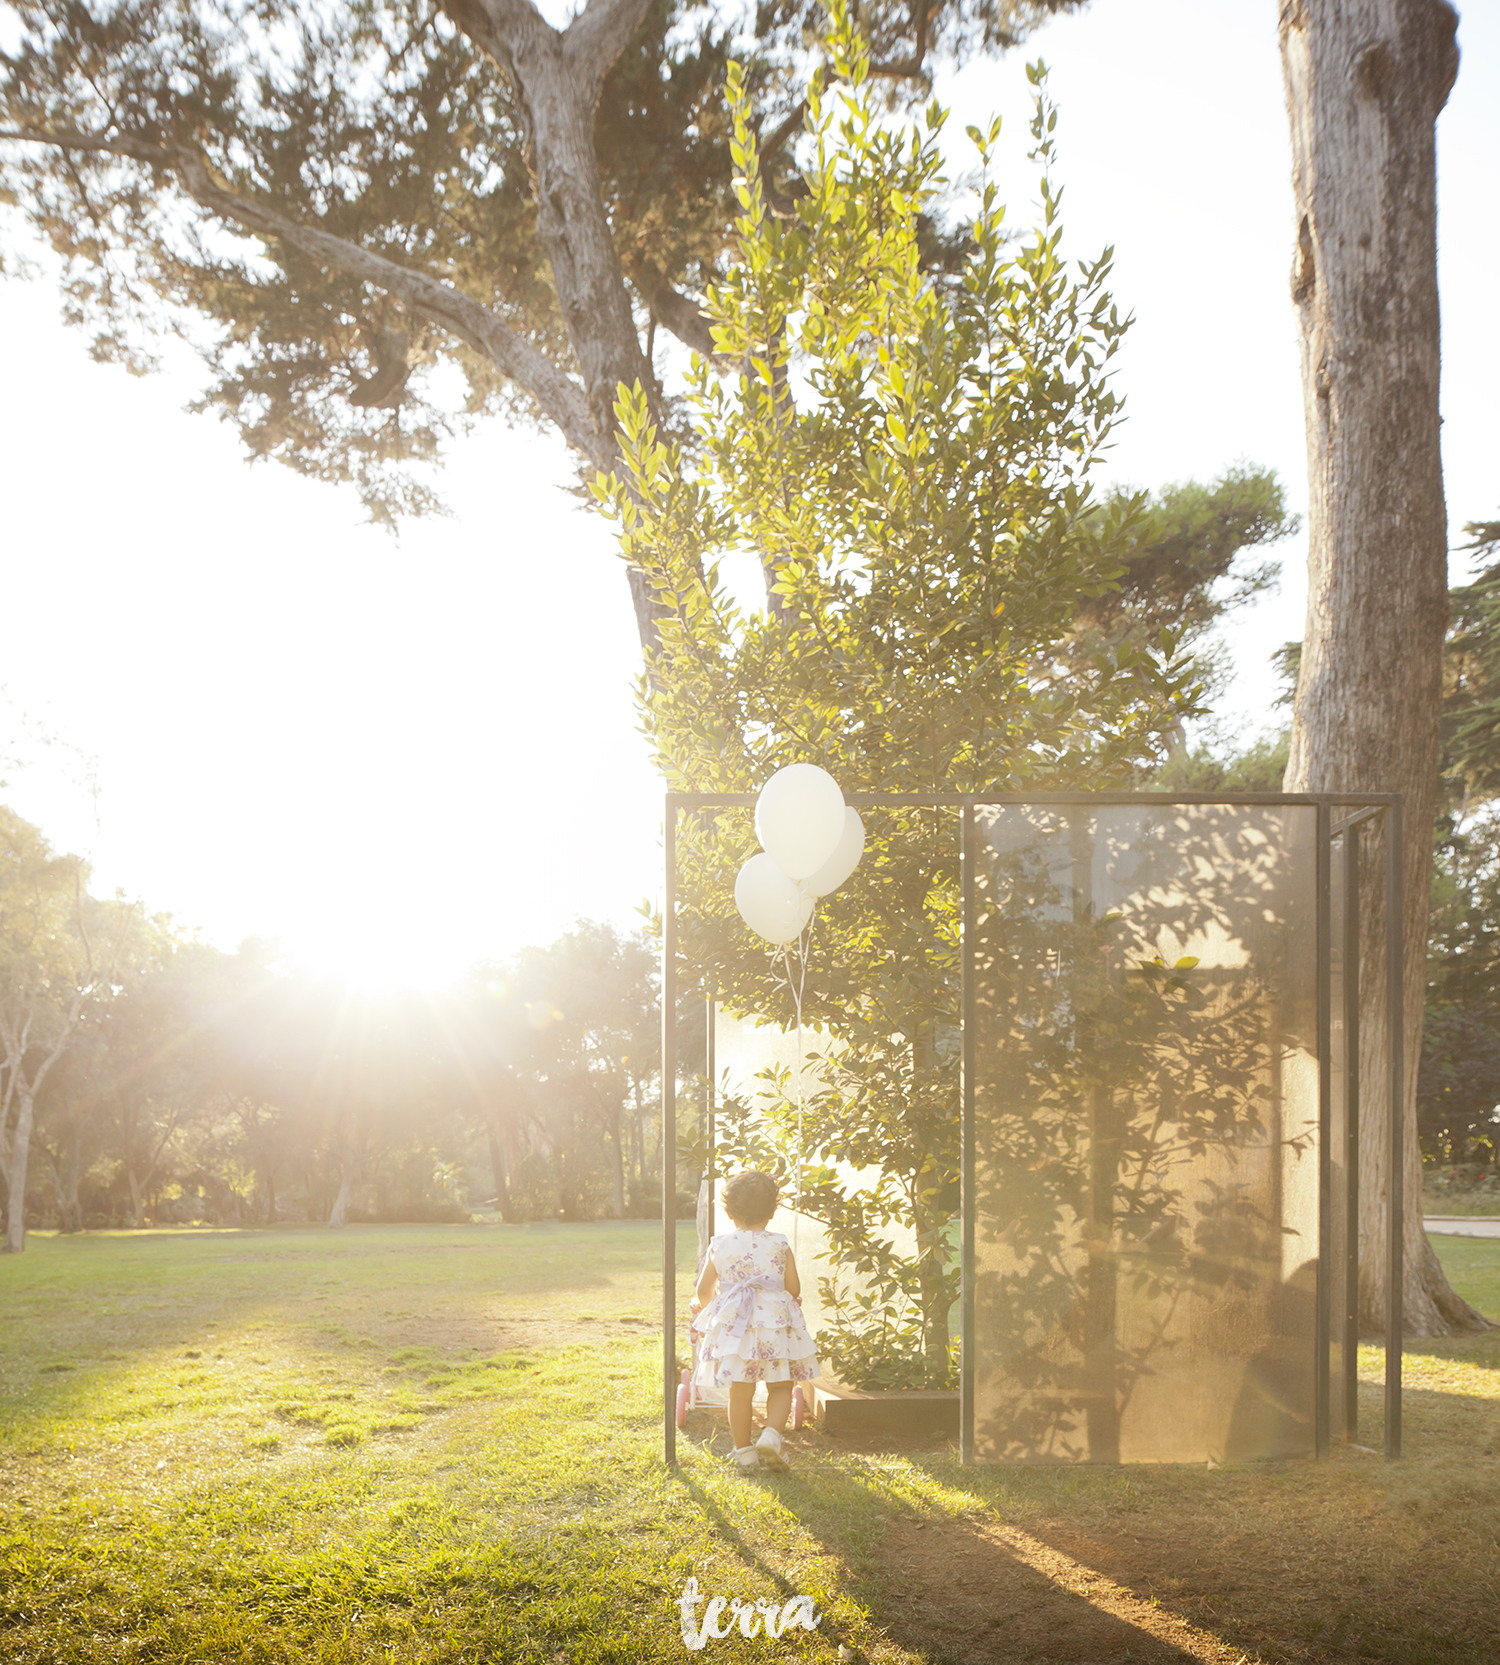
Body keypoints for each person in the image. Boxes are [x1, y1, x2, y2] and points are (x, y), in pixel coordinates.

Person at [689, 1169, 819, 1473]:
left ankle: (744, 1451)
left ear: (728, 1210)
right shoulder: (779, 1244)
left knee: (741, 1391)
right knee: (781, 1385)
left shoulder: (719, 1244)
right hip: (773, 1325)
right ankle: (772, 1436)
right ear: (772, 1212)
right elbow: (793, 1289)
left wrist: (713, 1308)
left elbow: (704, 1290)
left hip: (738, 1329)